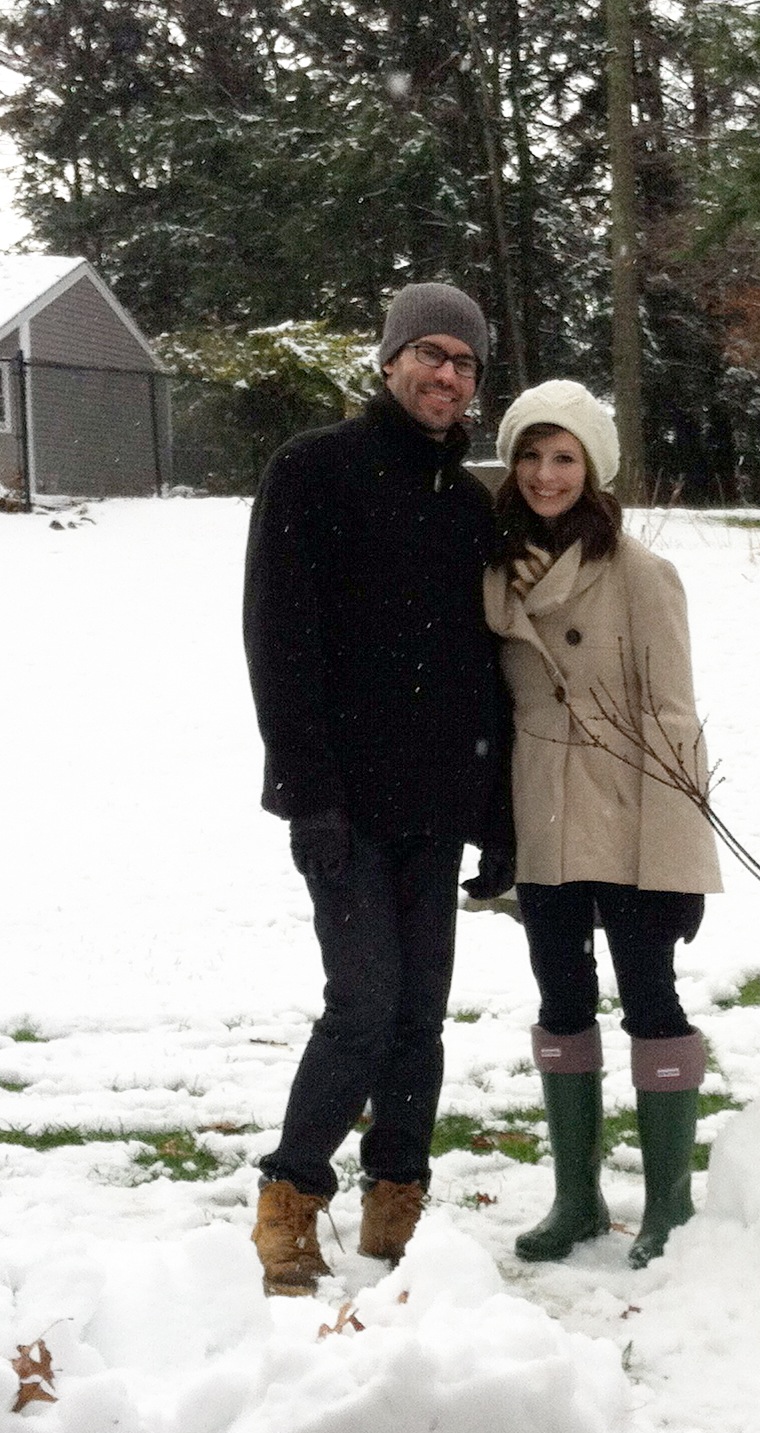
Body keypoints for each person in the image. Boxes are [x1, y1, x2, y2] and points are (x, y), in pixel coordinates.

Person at [242, 282, 514, 1296]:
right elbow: (279, 637)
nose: (447, 374)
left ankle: (395, 1202)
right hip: (343, 804)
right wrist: (307, 791)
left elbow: (484, 671)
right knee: (363, 1004)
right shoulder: (313, 470)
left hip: (435, 806)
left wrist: (497, 817)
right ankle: (289, 1200)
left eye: (465, 362)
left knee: (420, 1015)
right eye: (430, 353)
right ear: (390, 360)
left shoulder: (471, 505)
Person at [483, 379, 721, 1268]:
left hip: (628, 814)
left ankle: (668, 1204)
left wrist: (679, 860)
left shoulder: (640, 573)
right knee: (560, 998)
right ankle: (576, 1199)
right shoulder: (493, 566)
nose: (546, 475)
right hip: (542, 810)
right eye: (531, 455)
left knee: (651, 997)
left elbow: (673, 718)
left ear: (593, 470)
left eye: (565, 458)